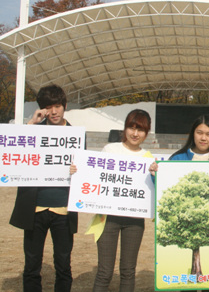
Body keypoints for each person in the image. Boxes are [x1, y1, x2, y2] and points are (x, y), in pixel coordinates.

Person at [73, 109, 154, 292]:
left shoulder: (148, 158)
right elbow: (92, 176)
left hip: (134, 221)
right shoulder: (110, 150)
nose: (135, 133)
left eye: (140, 129)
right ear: (124, 129)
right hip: (107, 219)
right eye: (131, 128)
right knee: (104, 272)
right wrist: (76, 172)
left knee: (128, 271)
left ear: (147, 132)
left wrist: (156, 174)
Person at [10, 84, 78, 292]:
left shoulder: (75, 135)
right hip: (35, 208)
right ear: (42, 109)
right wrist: (31, 122)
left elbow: (86, 170)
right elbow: (12, 150)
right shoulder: (33, 131)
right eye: (49, 107)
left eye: (57, 105)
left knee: (63, 265)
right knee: (31, 265)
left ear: (64, 106)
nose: (54, 111)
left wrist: (78, 170)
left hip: (62, 209)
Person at [166, 114, 209, 292]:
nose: (203, 138)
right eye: (199, 132)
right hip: (186, 227)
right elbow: (164, 190)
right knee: (188, 287)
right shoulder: (177, 159)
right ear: (192, 134)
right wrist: (157, 175)